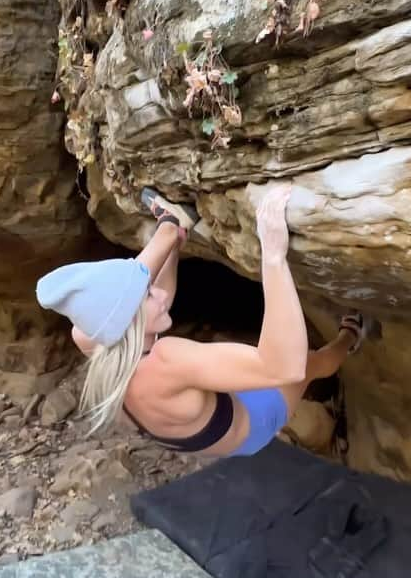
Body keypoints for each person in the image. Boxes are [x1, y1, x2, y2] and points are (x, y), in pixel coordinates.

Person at [36, 185, 365, 459]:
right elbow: (285, 368)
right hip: (254, 426)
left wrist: (167, 238)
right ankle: (352, 334)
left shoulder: (91, 335)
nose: (162, 296)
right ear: (128, 320)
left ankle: (171, 226)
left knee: (137, 300)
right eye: (149, 295)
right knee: (308, 363)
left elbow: (121, 298)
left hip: (196, 428)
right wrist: (274, 257)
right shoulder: (167, 360)